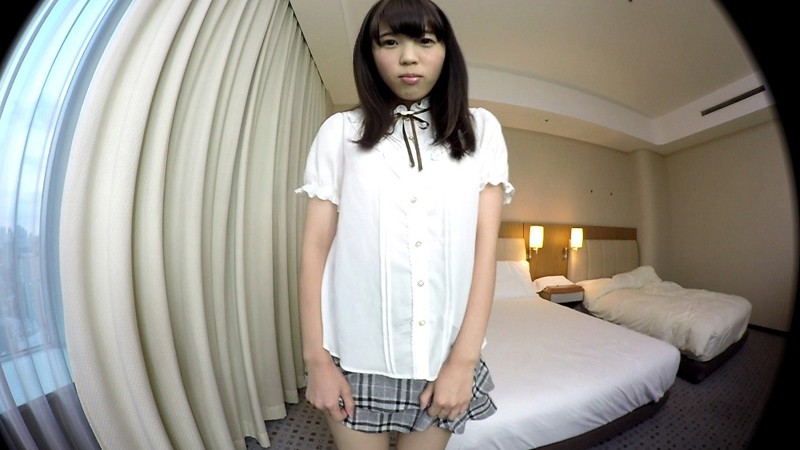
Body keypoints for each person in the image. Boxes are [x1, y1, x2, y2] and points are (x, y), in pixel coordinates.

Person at [295, 0, 514, 448]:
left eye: (425, 41)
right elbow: (315, 248)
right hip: (353, 358)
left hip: (443, 360)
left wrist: (463, 363)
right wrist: (316, 360)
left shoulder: (481, 130)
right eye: (391, 42)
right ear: (371, 54)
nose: (408, 57)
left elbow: (483, 250)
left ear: (446, 51)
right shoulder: (339, 133)